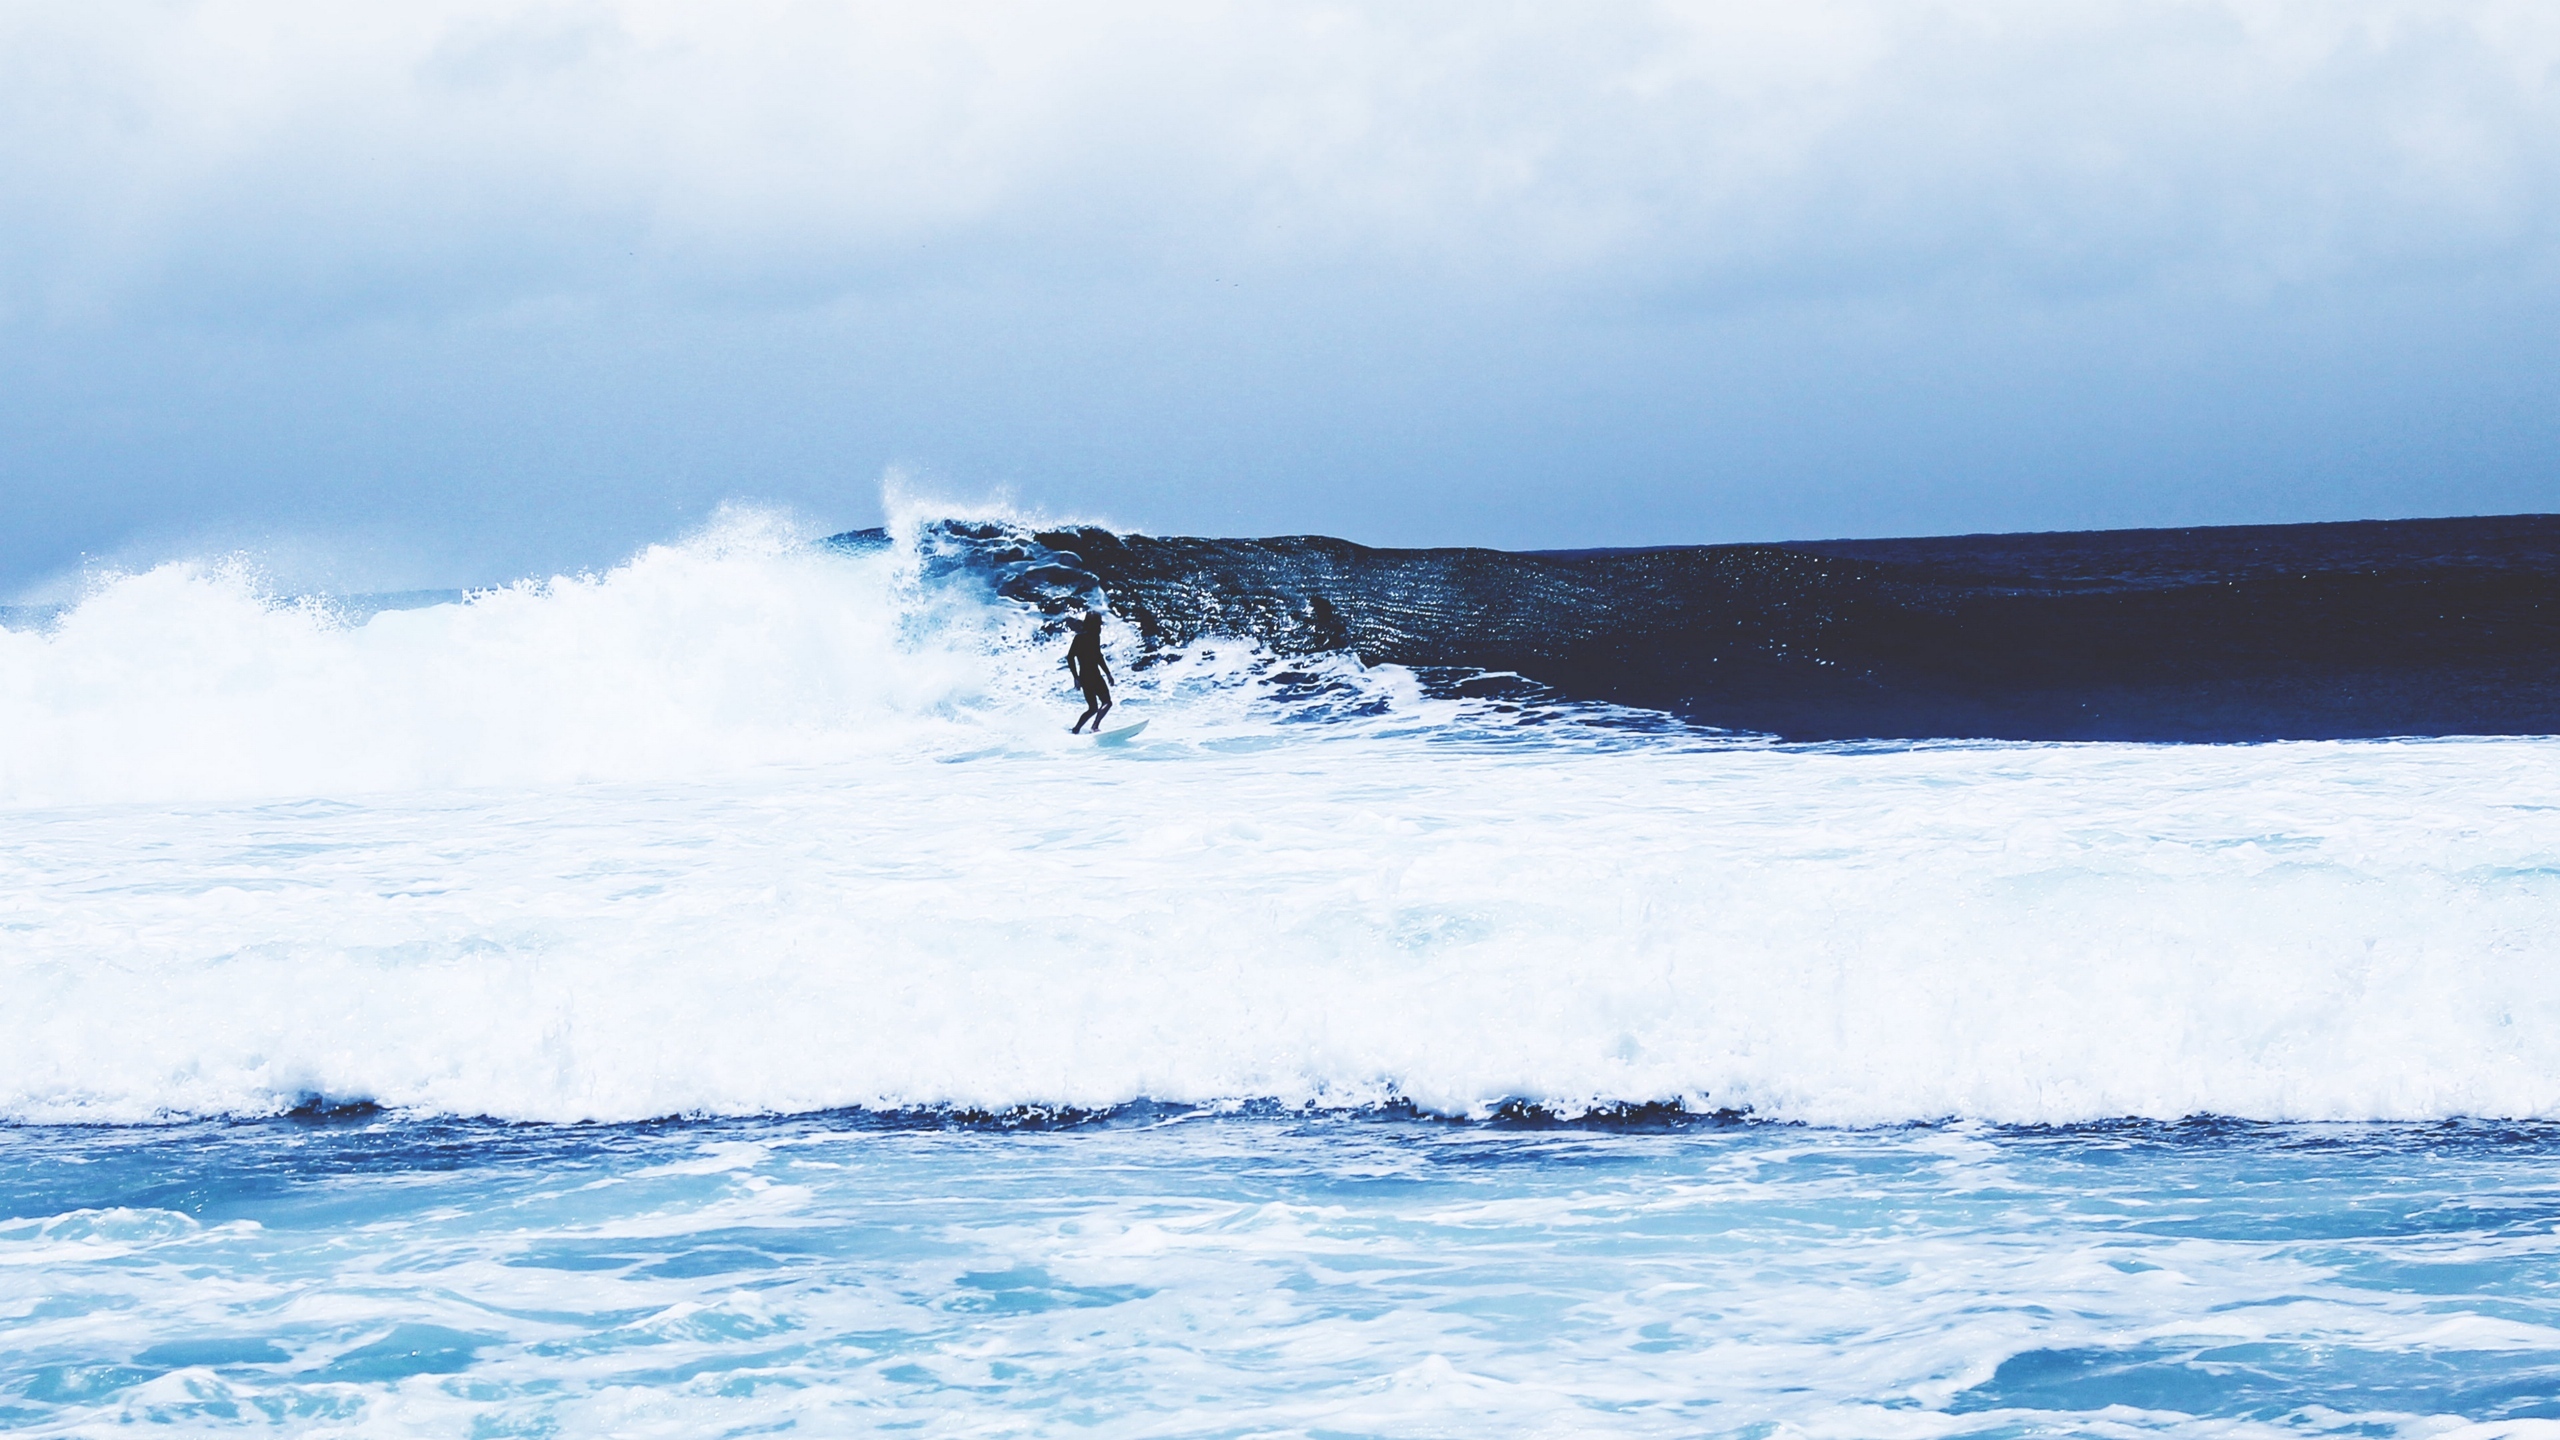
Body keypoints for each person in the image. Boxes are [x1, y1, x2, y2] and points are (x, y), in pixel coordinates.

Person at [1064, 611, 1114, 733]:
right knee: (1107, 702)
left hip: (1084, 676)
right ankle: (1094, 727)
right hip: (1094, 675)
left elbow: (1070, 657)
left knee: (1092, 708)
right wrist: (1108, 674)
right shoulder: (1094, 637)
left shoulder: (1079, 638)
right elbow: (1098, 657)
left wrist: (1076, 677)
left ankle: (1076, 730)